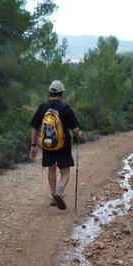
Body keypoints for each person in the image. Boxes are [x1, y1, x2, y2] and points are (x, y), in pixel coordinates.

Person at [30, 80, 81, 210]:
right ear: (62, 93)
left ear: (50, 92)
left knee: (51, 168)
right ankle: (59, 191)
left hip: (47, 144)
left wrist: (33, 145)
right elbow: (75, 129)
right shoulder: (65, 108)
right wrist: (78, 135)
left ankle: (53, 195)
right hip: (63, 145)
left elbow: (35, 128)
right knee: (65, 172)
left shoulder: (43, 106)